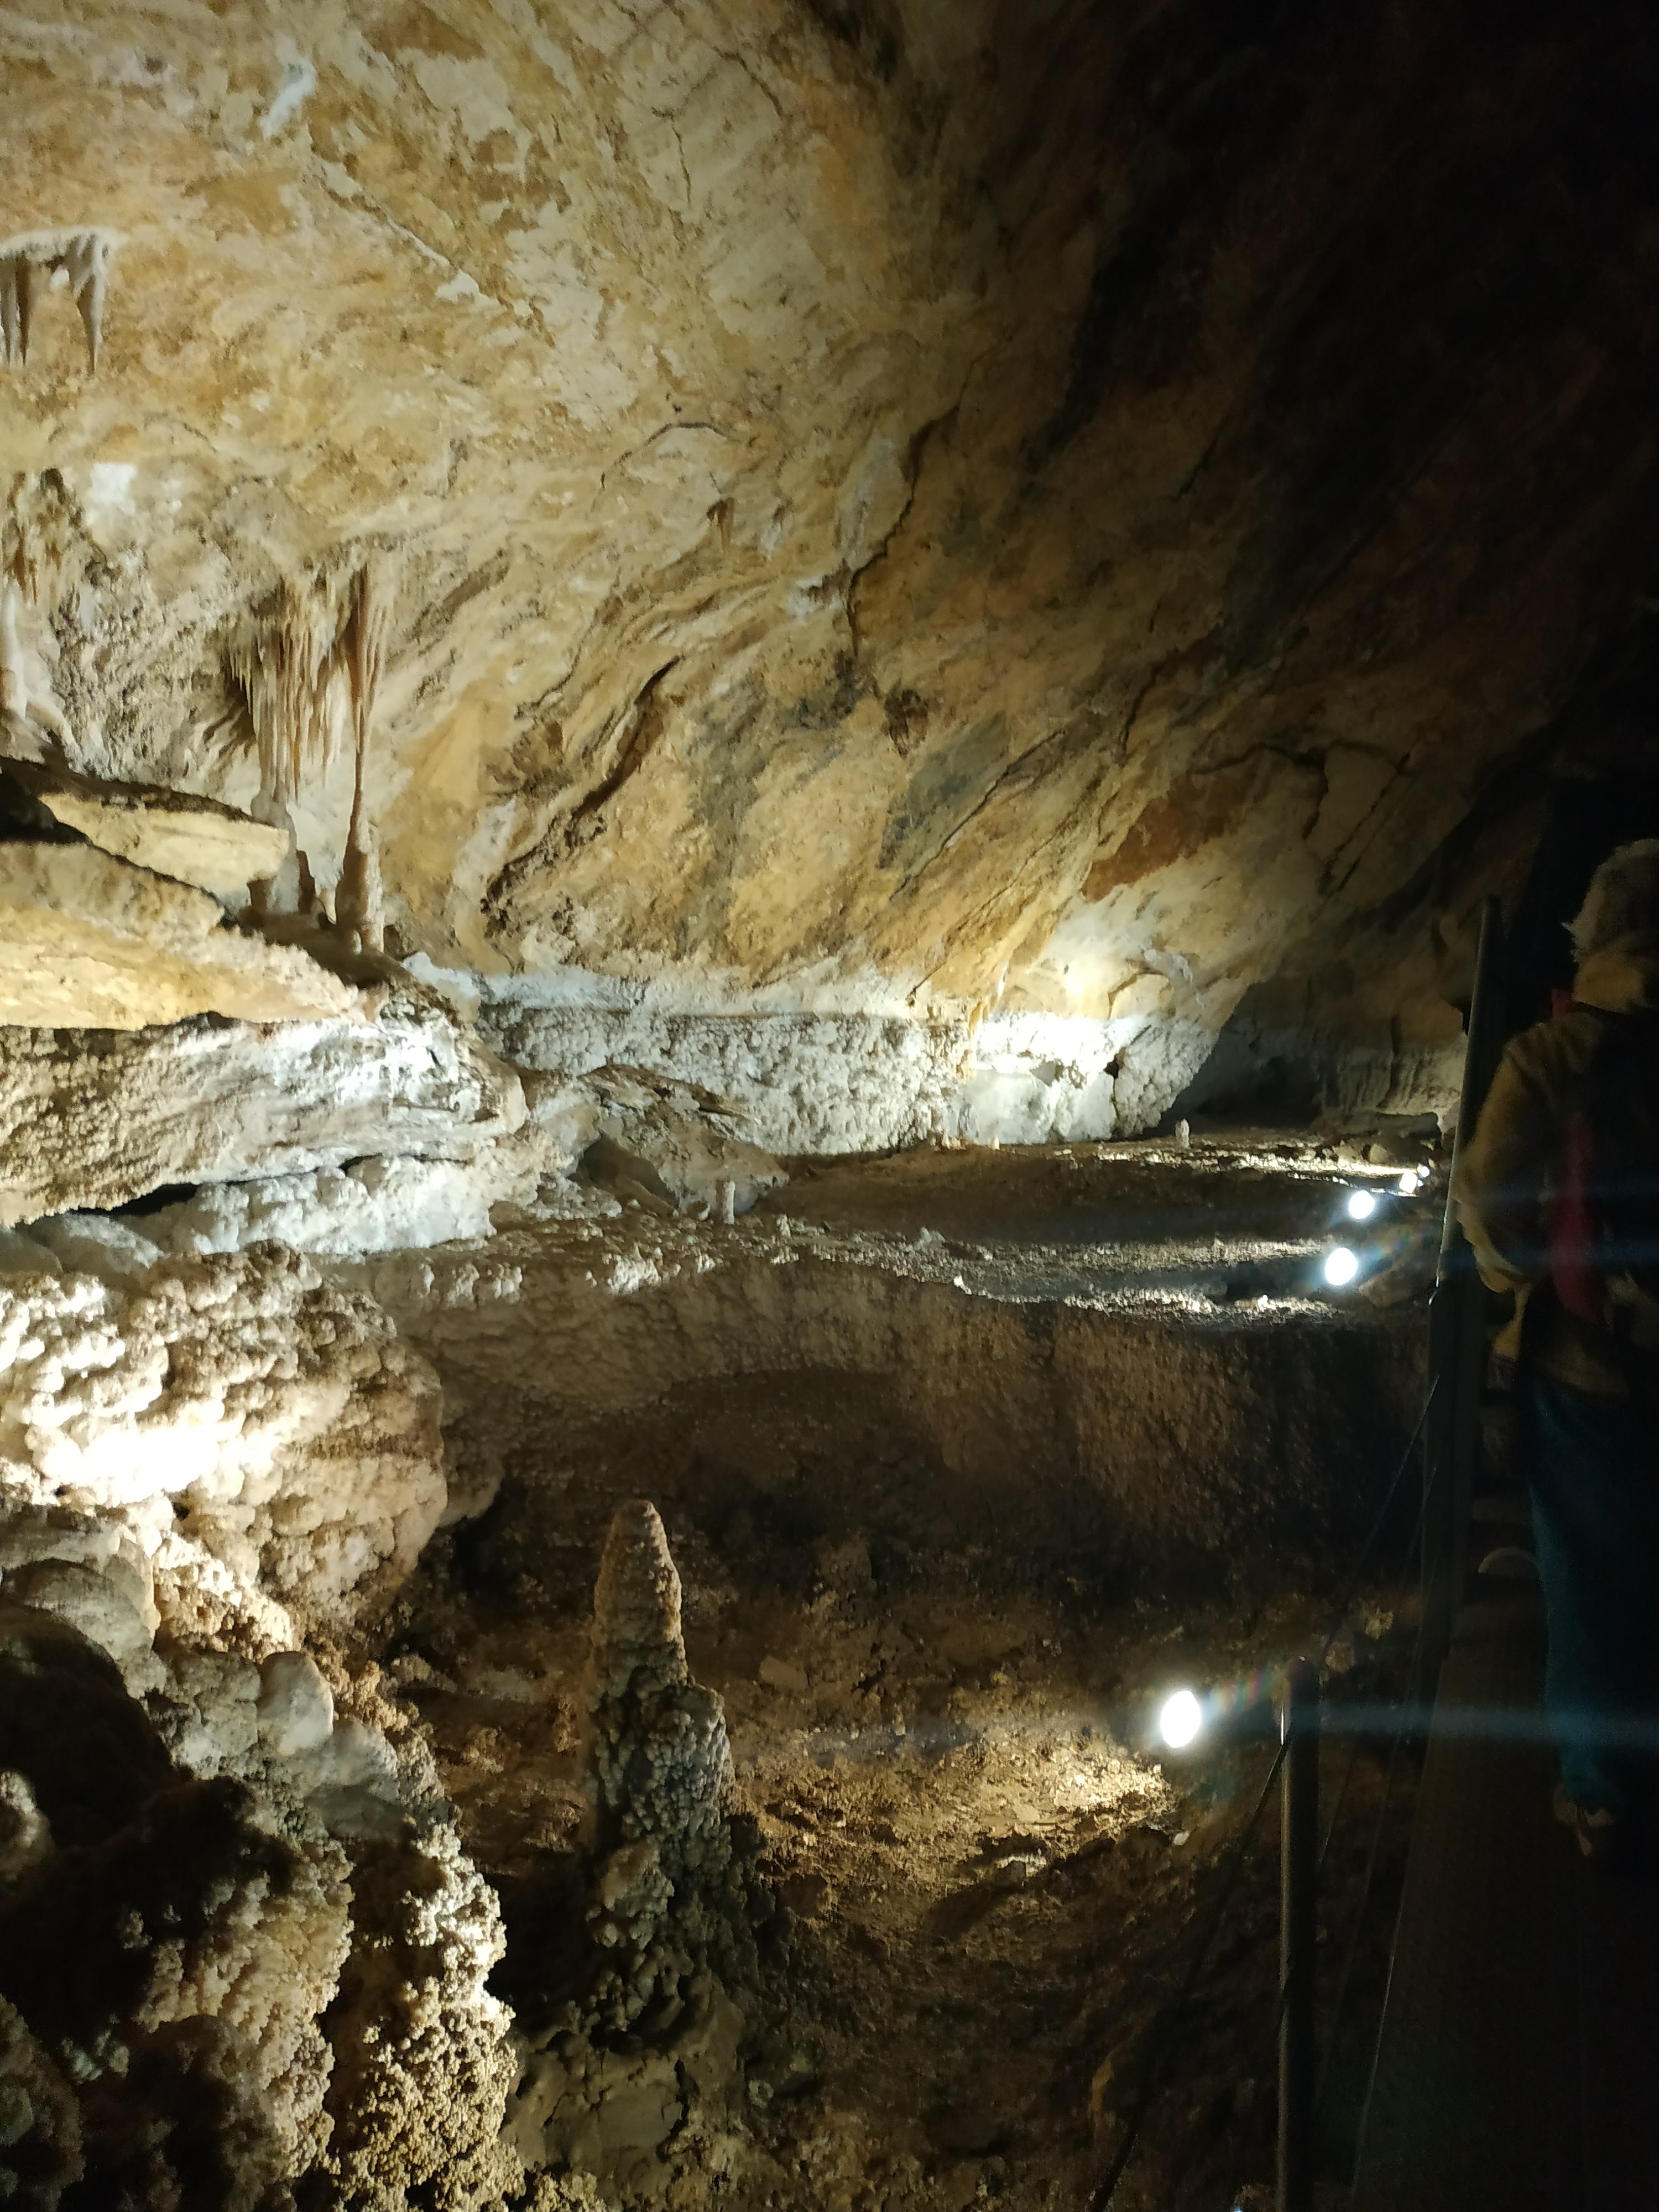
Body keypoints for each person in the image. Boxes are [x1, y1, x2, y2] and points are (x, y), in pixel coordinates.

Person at [1458, 839, 1659, 1865]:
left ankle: (1603, 1796)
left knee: (1588, 1577)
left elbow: (1488, 1195)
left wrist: (1525, 1280)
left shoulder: (1558, 1052)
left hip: (1590, 1364)